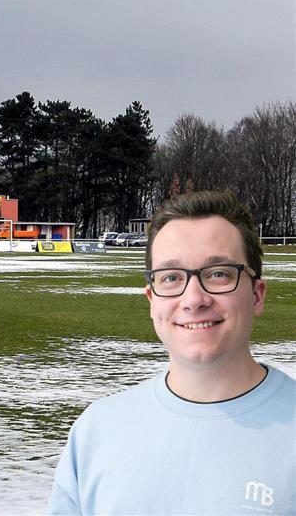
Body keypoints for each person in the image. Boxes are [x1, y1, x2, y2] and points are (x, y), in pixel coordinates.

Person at [46, 190, 295, 515]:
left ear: (257, 295)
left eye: (219, 273)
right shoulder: (97, 430)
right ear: (152, 301)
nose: (193, 299)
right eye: (172, 277)